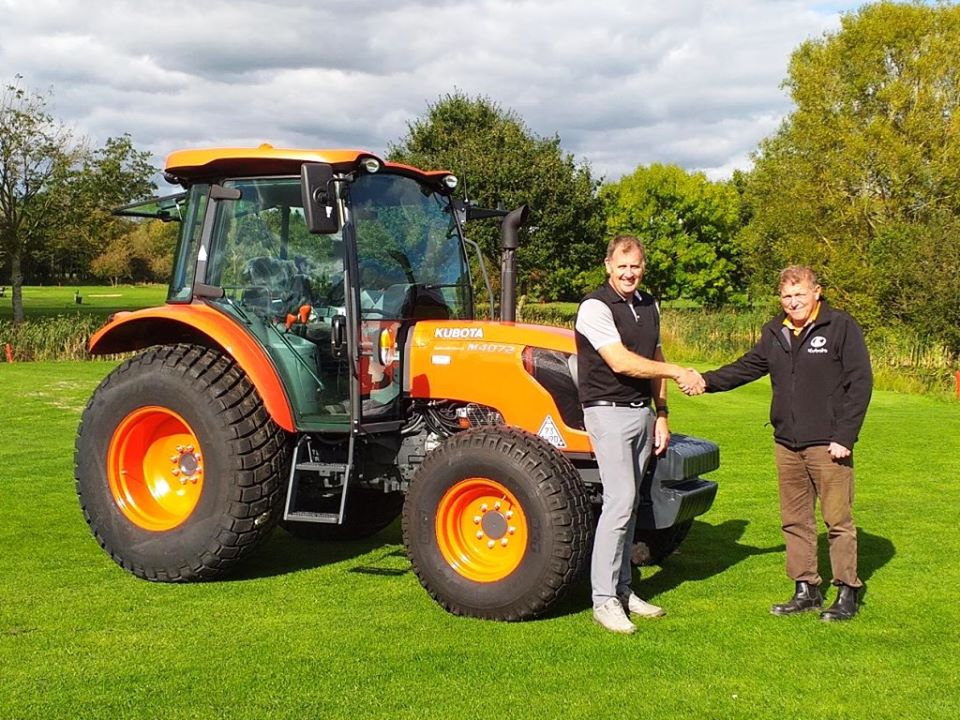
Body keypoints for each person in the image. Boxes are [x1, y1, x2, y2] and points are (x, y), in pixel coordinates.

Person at [687, 265, 872, 621]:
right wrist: (705, 381)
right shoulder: (775, 331)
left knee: (837, 521)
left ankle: (847, 591)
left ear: (816, 292)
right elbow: (748, 366)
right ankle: (806, 590)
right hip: (787, 443)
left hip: (829, 444)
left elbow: (860, 383)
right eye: (787, 296)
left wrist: (844, 436)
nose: (793, 302)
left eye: (799, 294)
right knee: (795, 520)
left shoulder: (839, 326)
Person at [575, 235, 703, 634]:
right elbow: (622, 362)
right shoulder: (594, 306)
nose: (629, 273)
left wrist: (661, 412)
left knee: (631, 506)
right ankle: (603, 600)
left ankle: (624, 589)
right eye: (622, 266)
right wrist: (678, 373)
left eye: (636, 266)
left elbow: (656, 356)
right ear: (608, 266)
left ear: (643, 267)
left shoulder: (649, 305)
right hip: (607, 413)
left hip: (641, 416)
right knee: (621, 501)